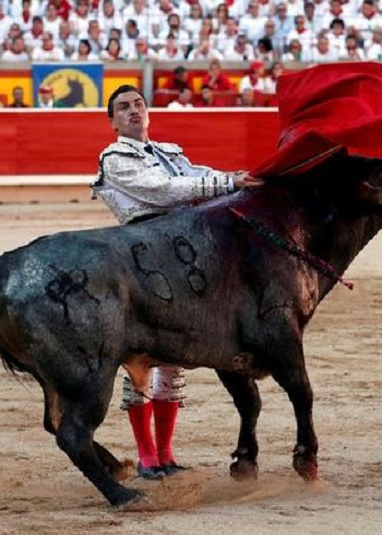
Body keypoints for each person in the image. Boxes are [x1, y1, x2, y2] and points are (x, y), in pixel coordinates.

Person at [91, 85, 263, 479]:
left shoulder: (169, 151)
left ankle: (165, 454)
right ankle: (146, 455)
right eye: (123, 108)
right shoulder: (114, 156)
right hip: (139, 261)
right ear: (112, 121)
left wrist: (235, 178)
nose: (133, 111)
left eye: (138, 105)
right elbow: (162, 191)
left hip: (181, 259)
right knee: (140, 361)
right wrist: (227, 185)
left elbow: (195, 176)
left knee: (173, 363)